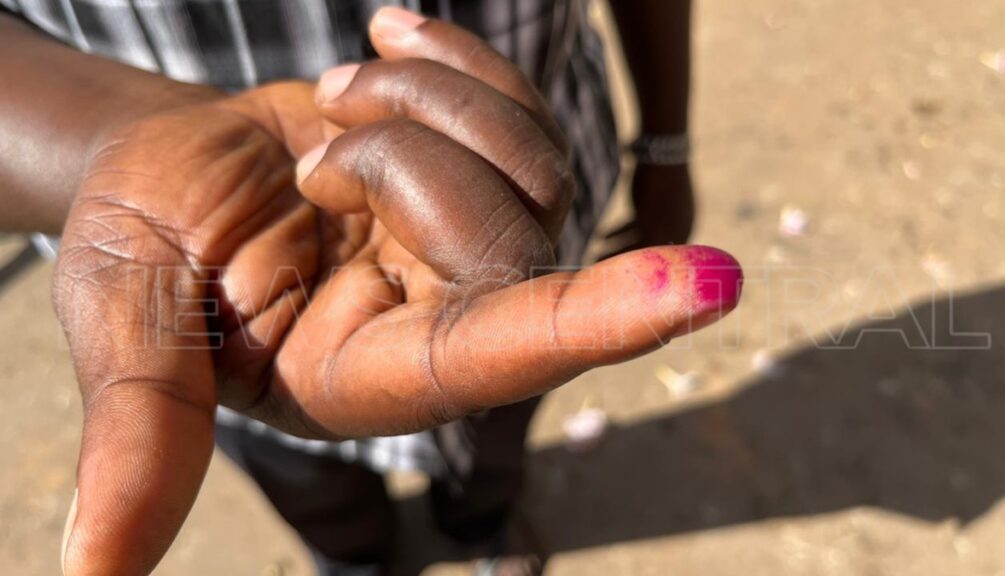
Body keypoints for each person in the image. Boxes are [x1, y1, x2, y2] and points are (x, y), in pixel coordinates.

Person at [0, 1, 730, 575]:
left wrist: (666, 142)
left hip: (540, 187)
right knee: (300, 468)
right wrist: (118, 140)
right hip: (206, 283)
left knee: (501, 417)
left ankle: (480, 522)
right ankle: (355, 555)